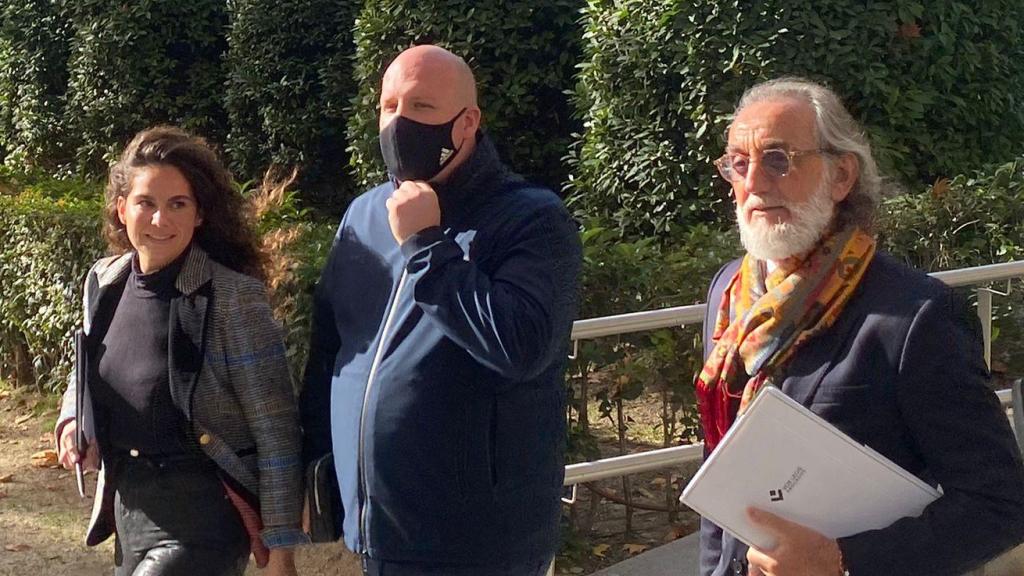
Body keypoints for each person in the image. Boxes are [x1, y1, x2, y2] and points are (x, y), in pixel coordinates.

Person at [696, 77, 1024, 576]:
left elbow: (999, 507)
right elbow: (721, 482)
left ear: (842, 175)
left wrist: (843, 561)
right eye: (738, 164)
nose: (755, 183)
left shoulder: (914, 316)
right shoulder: (727, 293)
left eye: (778, 158)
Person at [300, 44, 581, 576]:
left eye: (422, 108)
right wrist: (313, 465)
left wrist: (428, 246)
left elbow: (521, 347)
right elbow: (331, 351)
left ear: (468, 121)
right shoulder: (363, 215)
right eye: (389, 107)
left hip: (478, 544)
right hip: (377, 532)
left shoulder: (533, 219)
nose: (400, 123)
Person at [55, 126, 306, 576]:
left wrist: (281, 547)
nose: (159, 220)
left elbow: (276, 428)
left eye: (178, 204)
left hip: (204, 518)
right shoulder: (105, 281)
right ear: (121, 208)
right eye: (145, 203)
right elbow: (87, 370)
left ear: (200, 215)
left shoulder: (232, 299)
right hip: (130, 510)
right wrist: (73, 421)